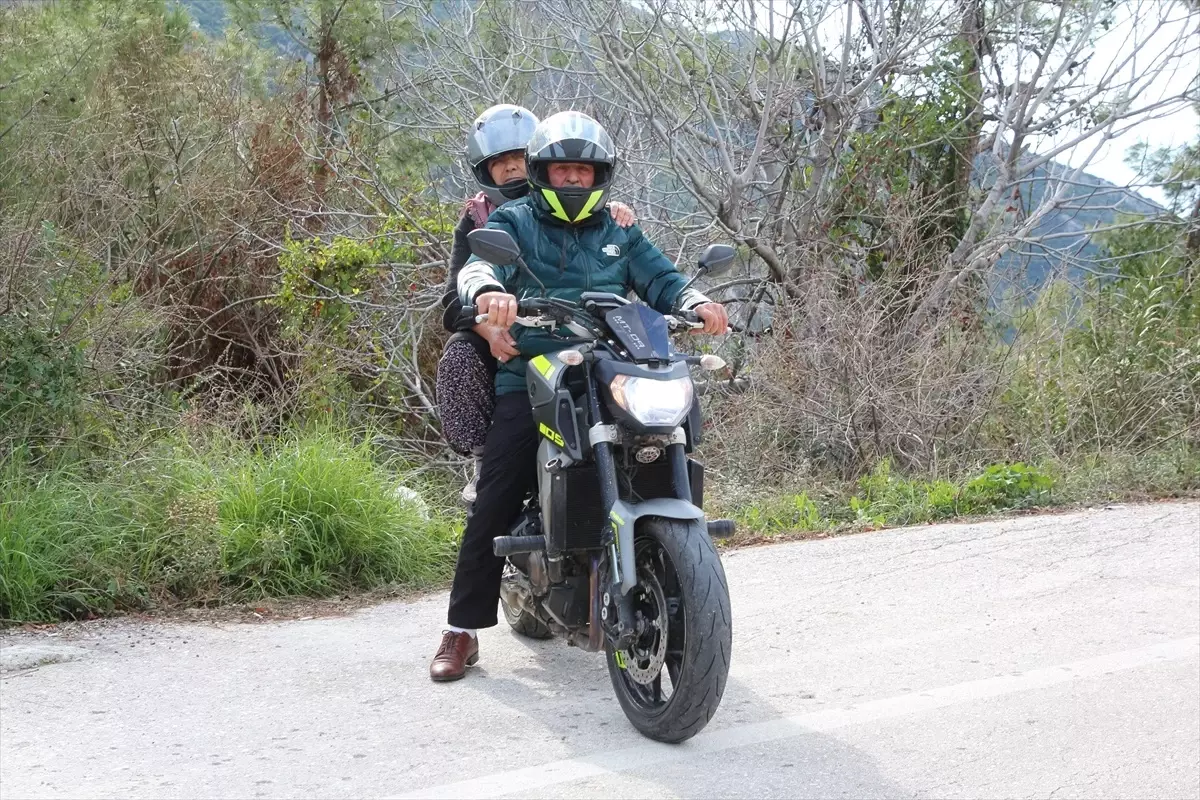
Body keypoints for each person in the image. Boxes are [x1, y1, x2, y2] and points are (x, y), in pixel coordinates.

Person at [430, 110, 729, 682]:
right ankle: (461, 629)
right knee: (496, 492)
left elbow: (662, 278)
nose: (572, 179)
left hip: (613, 366)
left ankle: (679, 576)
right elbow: (476, 269)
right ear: (543, 173)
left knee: (671, 433)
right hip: (535, 370)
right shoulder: (513, 221)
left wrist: (695, 303)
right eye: (562, 170)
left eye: (583, 171)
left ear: (599, 177)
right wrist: (489, 292)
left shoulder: (619, 230)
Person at [437, 105, 635, 504]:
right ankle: (484, 459)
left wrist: (614, 212)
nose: (511, 168)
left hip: (579, 327)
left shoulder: (576, 203)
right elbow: (454, 295)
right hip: (509, 333)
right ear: (484, 170)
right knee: (460, 353)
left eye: (517, 158)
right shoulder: (476, 219)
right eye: (499, 162)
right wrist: (488, 328)